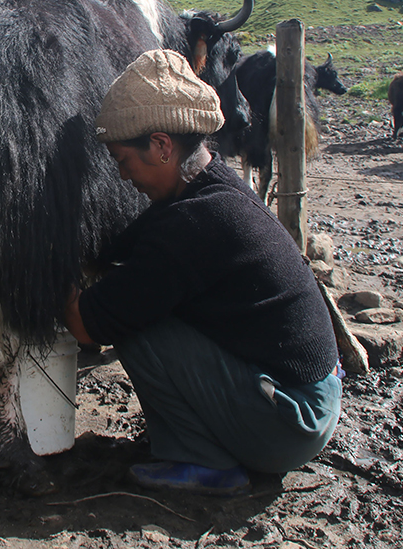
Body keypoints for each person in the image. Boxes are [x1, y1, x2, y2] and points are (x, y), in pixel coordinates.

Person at [64, 48, 342, 496]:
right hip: (310, 396)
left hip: (292, 423)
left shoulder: (194, 223)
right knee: (140, 300)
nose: (122, 175)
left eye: (122, 160)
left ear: (161, 146)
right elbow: (124, 245)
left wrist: (43, 271)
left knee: (135, 322)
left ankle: (207, 462)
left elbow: (85, 325)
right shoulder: (211, 187)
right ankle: (211, 438)